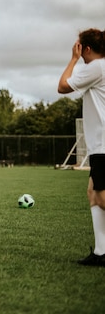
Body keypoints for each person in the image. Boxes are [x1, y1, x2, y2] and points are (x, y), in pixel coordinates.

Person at [58, 28, 105, 267]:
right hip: (99, 145)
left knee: (101, 196)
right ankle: (100, 252)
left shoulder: (96, 67)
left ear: (86, 48)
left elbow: (63, 86)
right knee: (93, 194)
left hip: (104, 144)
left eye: (80, 49)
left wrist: (73, 59)